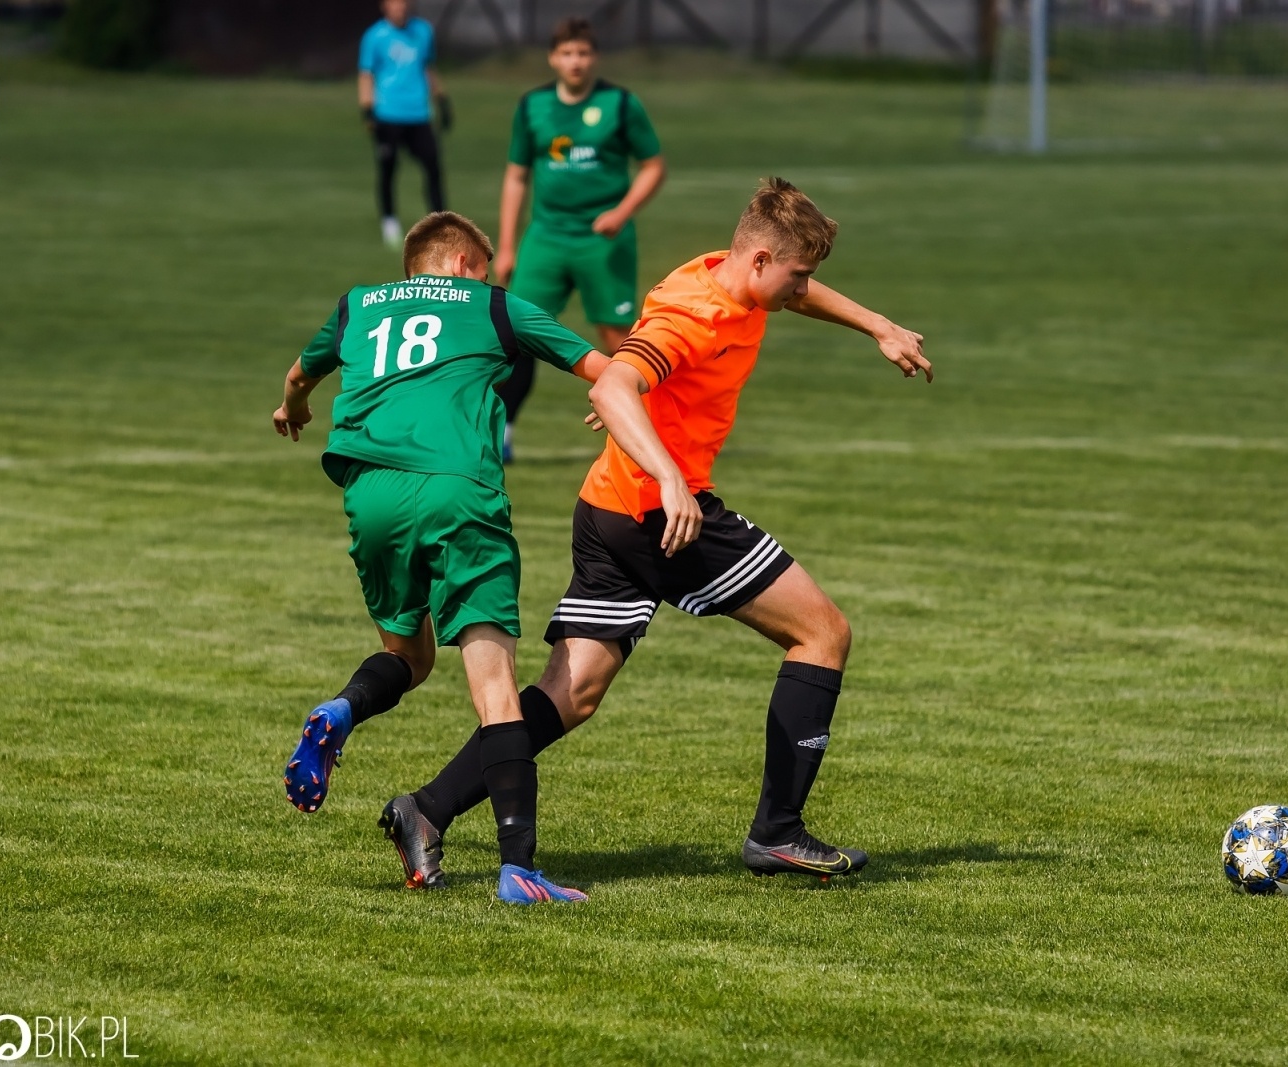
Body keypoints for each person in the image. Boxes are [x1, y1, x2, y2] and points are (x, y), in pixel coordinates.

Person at [382, 178, 930, 890]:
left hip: (607, 506)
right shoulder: (694, 314)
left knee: (573, 692)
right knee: (822, 633)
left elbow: (772, 304)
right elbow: (611, 387)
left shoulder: (728, 273)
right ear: (760, 260)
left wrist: (878, 325)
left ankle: (426, 808)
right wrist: (668, 472)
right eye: (798, 273)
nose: (804, 289)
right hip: (661, 514)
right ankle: (778, 832)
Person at [272, 211, 607, 904]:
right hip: (458, 490)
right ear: (459, 264)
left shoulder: (358, 304)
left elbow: (298, 376)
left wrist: (294, 410)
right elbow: (600, 365)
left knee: (409, 656)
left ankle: (342, 709)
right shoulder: (491, 305)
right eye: (482, 270)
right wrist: (615, 399)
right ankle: (519, 869)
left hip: (371, 494)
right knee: (495, 686)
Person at [492, 16, 667, 462]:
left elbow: (653, 166)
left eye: (583, 53)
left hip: (602, 241)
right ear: (553, 58)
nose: (575, 62)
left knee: (618, 338)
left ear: (595, 58)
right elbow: (516, 176)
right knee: (517, 333)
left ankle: (655, 432)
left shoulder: (620, 104)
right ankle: (502, 432)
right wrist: (507, 246)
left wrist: (621, 212)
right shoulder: (532, 106)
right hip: (546, 237)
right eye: (567, 53)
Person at [359, 0, 452, 249]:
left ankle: (439, 223)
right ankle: (389, 221)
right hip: (388, 113)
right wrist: (367, 110)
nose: (399, 7)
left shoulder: (422, 31)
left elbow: (427, 68)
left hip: (418, 113)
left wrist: (441, 99)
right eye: (394, 3)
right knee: (388, 168)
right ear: (384, 6)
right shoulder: (374, 36)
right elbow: (366, 74)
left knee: (433, 167)